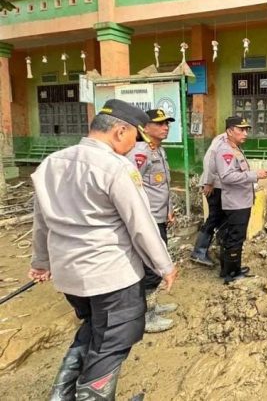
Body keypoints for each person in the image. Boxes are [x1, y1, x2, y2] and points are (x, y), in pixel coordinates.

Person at [29, 99, 178, 400]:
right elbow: (140, 222)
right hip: (111, 275)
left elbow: (41, 222)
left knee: (93, 328)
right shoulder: (115, 167)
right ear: (120, 131)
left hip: (70, 276)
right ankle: (92, 395)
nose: (134, 144)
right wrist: (165, 265)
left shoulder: (51, 163)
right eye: (134, 137)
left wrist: (41, 263)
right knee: (113, 339)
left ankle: (62, 394)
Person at [127, 108, 178, 333]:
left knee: (156, 263)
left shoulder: (158, 150)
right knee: (151, 266)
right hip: (147, 219)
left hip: (158, 216)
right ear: (145, 128)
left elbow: (159, 186)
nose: (165, 127)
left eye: (167, 123)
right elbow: (130, 188)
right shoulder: (140, 152)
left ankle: (152, 305)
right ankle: (144, 316)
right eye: (159, 124)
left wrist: (168, 209)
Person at [213, 116, 267, 283]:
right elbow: (227, 177)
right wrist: (254, 175)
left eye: (246, 130)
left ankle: (231, 269)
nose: (245, 133)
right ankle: (231, 275)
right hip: (235, 203)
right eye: (241, 129)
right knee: (235, 238)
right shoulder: (225, 151)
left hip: (241, 201)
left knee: (234, 236)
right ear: (230, 131)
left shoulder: (235, 148)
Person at [190, 131, 228, 266]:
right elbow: (209, 159)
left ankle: (221, 248)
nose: (244, 133)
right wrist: (208, 182)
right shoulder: (222, 140)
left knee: (223, 217)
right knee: (214, 217)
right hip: (214, 186)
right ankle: (199, 252)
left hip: (221, 186)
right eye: (241, 130)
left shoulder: (231, 142)